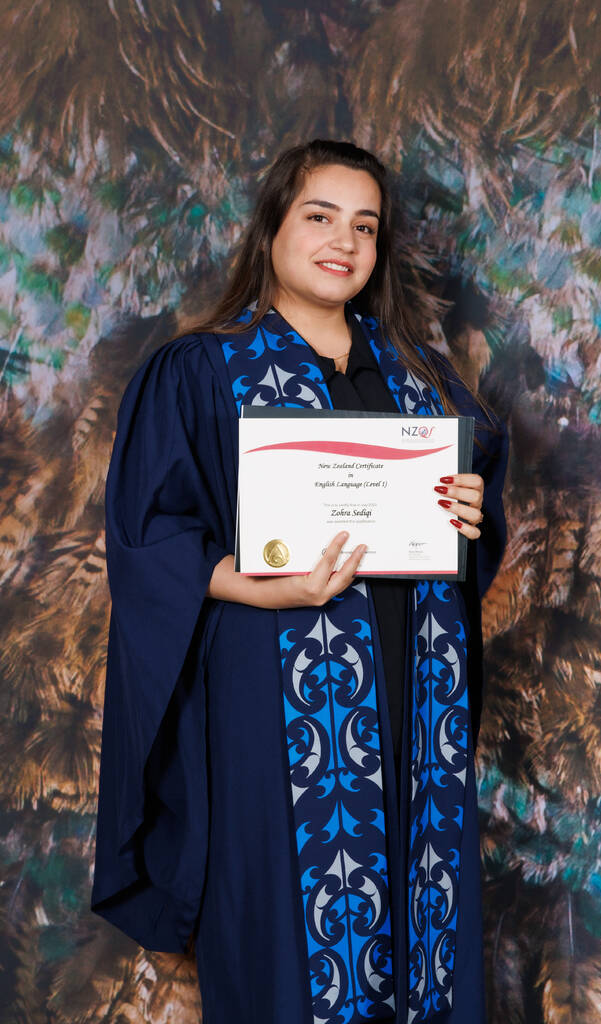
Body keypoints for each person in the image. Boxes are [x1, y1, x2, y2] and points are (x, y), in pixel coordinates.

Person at [91, 138, 509, 1024]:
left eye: (364, 226)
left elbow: (465, 539)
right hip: (277, 699)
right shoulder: (202, 370)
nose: (343, 242)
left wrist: (468, 510)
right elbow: (148, 540)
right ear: (272, 226)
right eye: (320, 216)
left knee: (420, 920)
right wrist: (261, 590)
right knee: (289, 937)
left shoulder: (421, 379)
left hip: (415, 695)